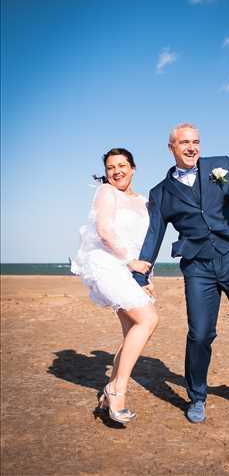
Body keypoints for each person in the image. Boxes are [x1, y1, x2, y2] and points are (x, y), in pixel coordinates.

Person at [133, 123, 229, 426]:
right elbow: (154, 234)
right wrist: (143, 270)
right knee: (201, 333)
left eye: (196, 142)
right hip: (197, 268)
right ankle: (197, 397)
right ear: (171, 148)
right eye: (184, 143)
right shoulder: (161, 193)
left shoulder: (221, 165)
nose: (191, 148)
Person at [71, 148, 158, 424]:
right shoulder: (106, 193)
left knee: (133, 329)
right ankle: (117, 390)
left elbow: (145, 243)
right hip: (107, 264)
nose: (116, 171)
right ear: (106, 172)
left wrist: (146, 279)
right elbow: (105, 231)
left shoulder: (143, 201)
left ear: (133, 168)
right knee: (148, 319)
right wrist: (130, 262)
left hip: (130, 269)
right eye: (111, 167)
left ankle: (107, 397)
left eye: (122, 165)